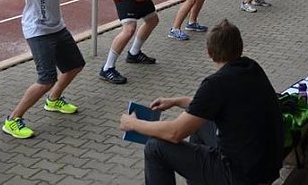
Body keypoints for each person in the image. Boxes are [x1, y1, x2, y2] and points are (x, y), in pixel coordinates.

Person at [119, 19, 284, 185]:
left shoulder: (216, 83)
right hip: (265, 166)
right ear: (240, 47)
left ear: (209, 53)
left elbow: (174, 133)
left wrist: (133, 124)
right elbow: (209, 107)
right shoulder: (251, 67)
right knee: (199, 123)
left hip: (239, 175)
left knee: (155, 148)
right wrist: (176, 101)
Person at [0, 0, 89, 139]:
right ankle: (13, 120)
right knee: (46, 79)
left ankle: (54, 100)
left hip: (57, 26)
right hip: (37, 29)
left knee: (75, 65)